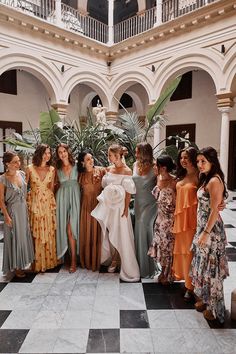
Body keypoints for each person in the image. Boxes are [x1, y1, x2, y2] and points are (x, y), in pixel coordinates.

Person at [190, 147, 229, 323]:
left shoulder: (214, 180)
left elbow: (214, 211)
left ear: (212, 161)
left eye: (203, 161)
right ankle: (207, 302)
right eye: (198, 161)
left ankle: (216, 310)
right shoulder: (205, 178)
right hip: (203, 227)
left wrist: (205, 233)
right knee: (204, 268)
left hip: (211, 231)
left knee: (212, 271)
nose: (199, 164)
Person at [91, 144, 140, 282]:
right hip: (109, 207)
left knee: (121, 234)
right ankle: (113, 258)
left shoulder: (127, 171)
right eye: (109, 155)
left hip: (120, 208)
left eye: (110, 155)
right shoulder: (109, 169)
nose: (109, 157)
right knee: (110, 231)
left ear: (118, 156)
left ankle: (118, 260)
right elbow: (105, 187)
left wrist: (125, 209)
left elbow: (129, 192)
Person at [0, 152, 34, 277]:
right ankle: (16, 267)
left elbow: (26, 192)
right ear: (7, 164)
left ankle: (23, 263)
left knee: (24, 237)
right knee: (15, 238)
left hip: (23, 209)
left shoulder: (22, 174)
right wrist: (7, 217)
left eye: (18, 161)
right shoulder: (3, 179)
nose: (18, 164)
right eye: (15, 162)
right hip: (12, 212)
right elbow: (1, 201)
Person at [172, 147, 199, 300]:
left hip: (192, 221)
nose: (183, 160)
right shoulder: (180, 176)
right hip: (180, 220)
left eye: (186, 157)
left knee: (190, 253)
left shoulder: (199, 176)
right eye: (181, 158)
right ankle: (187, 282)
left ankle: (192, 287)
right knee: (182, 252)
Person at [26, 144, 57, 272]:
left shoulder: (52, 169)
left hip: (47, 204)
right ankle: (37, 263)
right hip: (34, 204)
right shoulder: (29, 168)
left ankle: (49, 262)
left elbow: (51, 188)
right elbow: (24, 187)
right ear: (39, 154)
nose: (47, 155)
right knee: (36, 232)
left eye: (49, 153)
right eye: (45, 153)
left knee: (48, 232)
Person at [148, 155, 176, 284]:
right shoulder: (158, 178)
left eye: (156, 165)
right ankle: (162, 272)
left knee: (168, 248)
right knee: (161, 246)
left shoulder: (174, 182)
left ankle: (168, 274)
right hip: (159, 219)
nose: (154, 167)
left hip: (170, 221)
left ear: (163, 168)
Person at [78, 151, 106, 271]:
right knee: (87, 233)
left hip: (98, 206)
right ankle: (87, 261)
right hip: (85, 207)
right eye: (88, 159)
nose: (92, 161)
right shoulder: (80, 175)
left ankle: (97, 261)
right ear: (82, 163)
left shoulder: (101, 171)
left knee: (97, 233)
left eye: (92, 158)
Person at [55, 143, 80, 273]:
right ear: (58, 155)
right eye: (60, 152)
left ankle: (74, 261)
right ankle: (67, 258)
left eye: (64, 151)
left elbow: (91, 168)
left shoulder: (77, 165)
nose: (62, 154)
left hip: (75, 197)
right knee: (64, 228)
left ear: (68, 152)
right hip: (62, 198)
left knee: (72, 228)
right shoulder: (56, 168)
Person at [133, 142, 157, 278]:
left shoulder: (155, 167)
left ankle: (147, 268)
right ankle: (139, 265)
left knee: (144, 227)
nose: (135, 154)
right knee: (139, 231)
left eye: (137, 151)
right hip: (137, 203)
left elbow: (165, 180)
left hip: (151, 204)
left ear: (143, 153)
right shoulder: (134, 165)